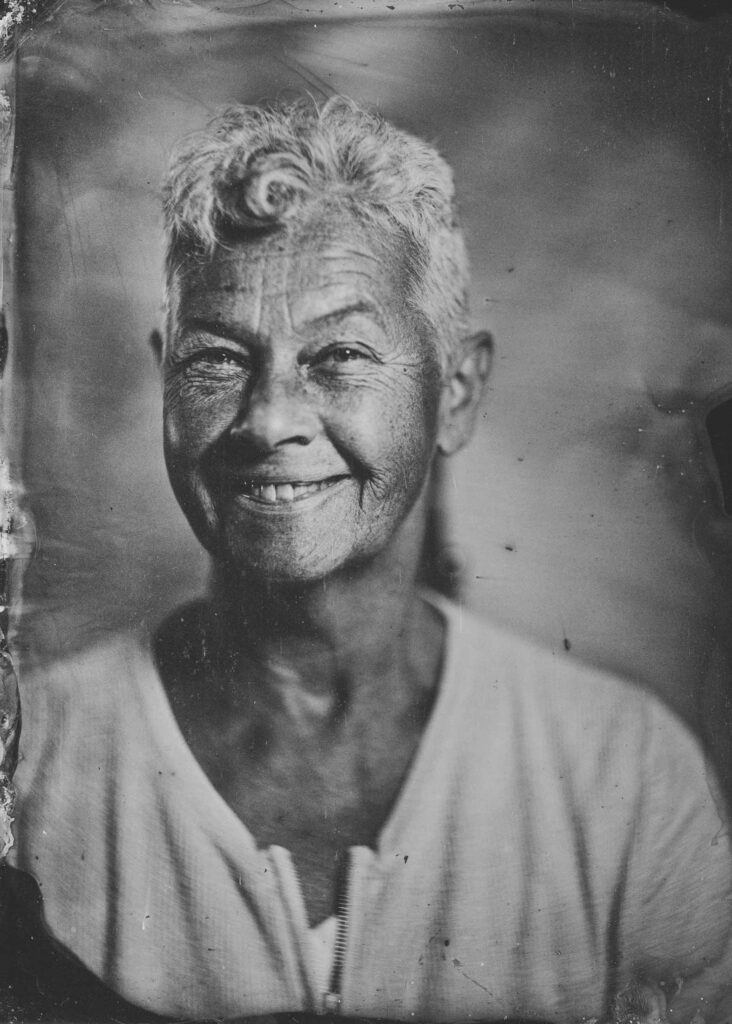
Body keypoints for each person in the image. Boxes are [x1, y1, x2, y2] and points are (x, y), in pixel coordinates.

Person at [5, 96, 732, 1023]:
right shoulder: (31, 764)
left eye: (341, 353)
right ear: (163, 380)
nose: (269, 421)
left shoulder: (623, 779)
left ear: (457, 392)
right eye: (216, 360)